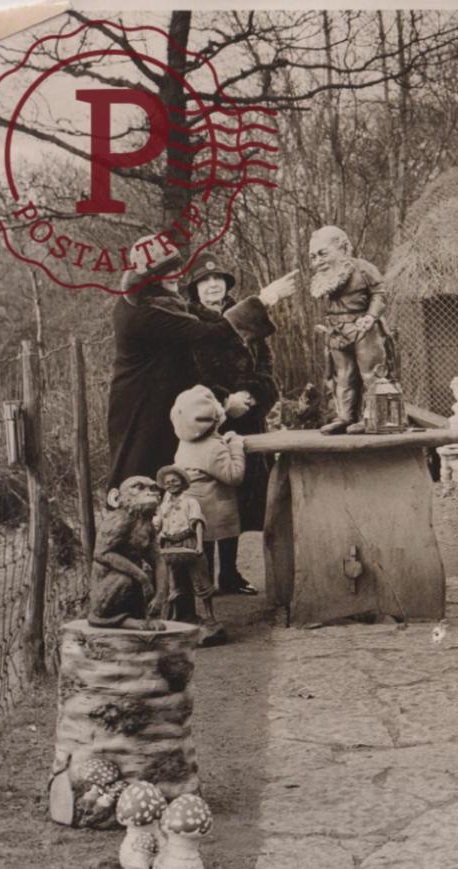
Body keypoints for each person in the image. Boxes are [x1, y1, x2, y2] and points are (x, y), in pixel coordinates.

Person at [106, 234, 293, 490]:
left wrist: (248, 394)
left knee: (165, 478)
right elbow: (209, 333)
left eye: (176, 267)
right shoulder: (146, 313)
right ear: (150, 278)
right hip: (143, 407)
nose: (175, 274)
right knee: (141, 476)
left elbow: (260, 364)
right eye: (166, 271)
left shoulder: (155, 301)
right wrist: (264, 299)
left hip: (161, 402)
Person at [187, 257, 288, 595]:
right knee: (208, 497)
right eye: (205, 281)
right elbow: (189, 375)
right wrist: (223, 401)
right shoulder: (190, 324)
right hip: (207, 425)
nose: (213, 285)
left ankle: (229, 574)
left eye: (219, 279)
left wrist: (252, 395)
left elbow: (267, 367)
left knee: (241, 497)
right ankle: (203, 581)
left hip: (248, 421)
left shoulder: (250, 322)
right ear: (195, 289)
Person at [307, 226, 395, 434]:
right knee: (343, 375)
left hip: (364, 329)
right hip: (336, 331)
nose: (317, 261)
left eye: (323, 253)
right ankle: (345, 417)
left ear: (344, 248)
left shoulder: (364, 269)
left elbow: (380, 294)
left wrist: (371, 316)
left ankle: (374, 418)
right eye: (313, 257)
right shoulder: (325, 278)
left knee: (371, 374)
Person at [169, 386, 247, 617]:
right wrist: (236, 446)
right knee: (208, 550)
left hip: (190, 510)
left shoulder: (185, 443)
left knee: (201, 553)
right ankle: (207, 594)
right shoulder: (213, 448)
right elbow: (234, 475)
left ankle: (202, 591)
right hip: (211, 510)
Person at [153, 465, 219, 636]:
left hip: (188, 542)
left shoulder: (190, 502)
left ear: (182, 483)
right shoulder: (163, 505)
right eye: (167, 482)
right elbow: (158, 525)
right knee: (174, 583)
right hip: (169, 544)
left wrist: (199, 545)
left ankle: (210, 616)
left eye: (174, 481)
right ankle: (176, 617)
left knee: (200, 581)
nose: (171, 485)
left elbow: (197, 523)